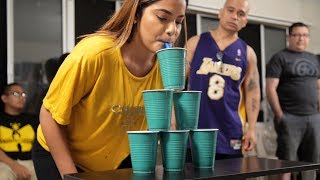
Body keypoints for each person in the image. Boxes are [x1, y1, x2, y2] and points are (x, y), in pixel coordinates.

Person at [31, 0, 188, 179]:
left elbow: (170, 124)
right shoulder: (95, 53)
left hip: (111, 160)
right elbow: (49, 114)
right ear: (136, 14)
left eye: (178, 22)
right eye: (162, 18)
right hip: (58, 152)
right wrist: (71, 176)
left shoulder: (167, 68)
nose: (172, 30)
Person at [185, 0, 260, 160]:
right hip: (195, 127)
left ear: (245, 21)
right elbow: (175, 84)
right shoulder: (195, 43)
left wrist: (252, 128)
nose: (234, 17)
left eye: (241, 14)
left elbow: (253, 91)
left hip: (230, 130)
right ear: (220, 12)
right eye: (230, 10)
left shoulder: (248, 53)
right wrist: (172, 116)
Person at [266, 22, 320, 180]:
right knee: (287, 163)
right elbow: (270, 89)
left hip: (313, 117)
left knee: (313, 163)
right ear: (289, 37)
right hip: (290, 117)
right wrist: (280, 115)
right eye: (297, 35)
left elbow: (318, 87)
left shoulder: (314, 59)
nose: (301, 38)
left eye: (304, 35)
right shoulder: (279, 58)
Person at [0, 83, 38, 180]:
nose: (22, 97)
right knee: (3, 175)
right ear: (4, 98)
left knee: (43, 174)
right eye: (16, 94)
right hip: (5, 162)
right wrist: (14, 165)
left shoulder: (33, 120)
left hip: (30, 162)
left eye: (24, 94)